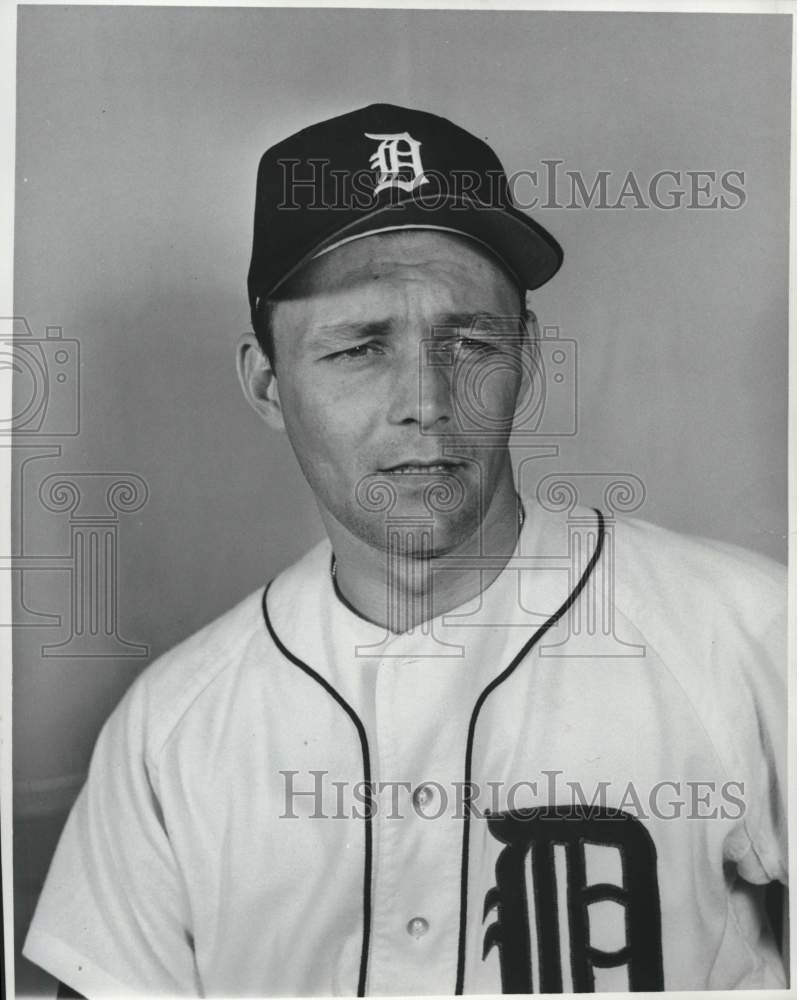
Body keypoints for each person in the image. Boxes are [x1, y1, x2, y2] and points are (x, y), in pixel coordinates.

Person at [24, 104, 787, 996]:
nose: (424, 398)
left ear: (528, 357)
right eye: (358, 348)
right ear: (268, 383)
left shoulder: (750, 633)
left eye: (469, 340)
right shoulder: (171, 731)